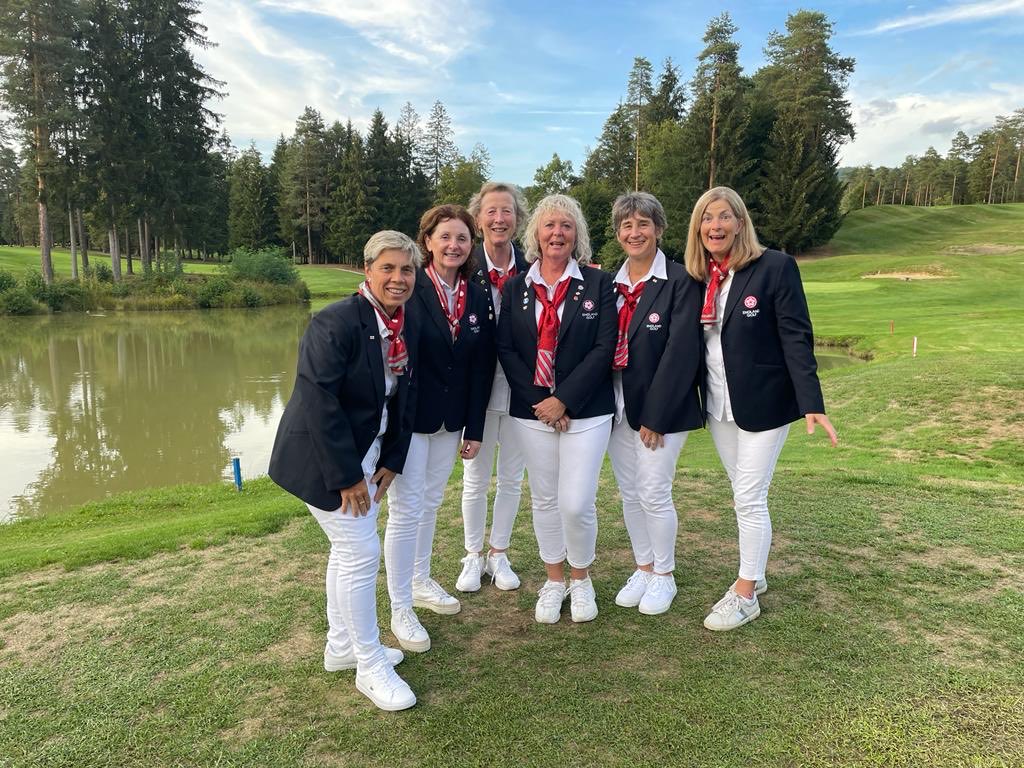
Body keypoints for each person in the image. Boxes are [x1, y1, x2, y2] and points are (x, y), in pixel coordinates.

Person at [268, 230, 421, 711]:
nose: (398, 279)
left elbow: (403, 399)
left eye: (407, 270)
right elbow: (318, 403)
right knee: (359, 553)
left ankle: (340, 647)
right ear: (368, 269)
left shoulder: (401, 324)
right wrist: (347, 477)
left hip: (367, 454)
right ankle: (368, 663)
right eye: (388, 268)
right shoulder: (335, 322)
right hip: (325, 462)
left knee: (347, 551)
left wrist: (392, 458)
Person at [683, 186, 838, 631]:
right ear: (699, 228)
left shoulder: (775, 267)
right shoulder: (698, 277)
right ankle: (758, 570)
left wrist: (811, 401)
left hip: (765, 404)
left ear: (740, 222)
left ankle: (746, 592)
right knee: (744, 493)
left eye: (724, 216)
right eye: (707, 218)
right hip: (718, 405)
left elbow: (796, 336)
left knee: (748, 496)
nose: (716, 225)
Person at [496, 193, 617, 624]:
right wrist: (541, 403)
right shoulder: (515, 287)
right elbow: (506, 349)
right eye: (549, 225)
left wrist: (564, 399)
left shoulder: (599, 285)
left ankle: (581, 579)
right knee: (545, 499)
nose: (557, 233)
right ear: (535, 234)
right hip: (531, 412)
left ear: (577, 235)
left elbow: (604, 348)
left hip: (587, 410)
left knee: (576, 502)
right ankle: (553, 579)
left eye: (566, 225)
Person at [384, 204, 495, 652]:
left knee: (430, 502)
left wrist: (475, 426)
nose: (454, 245)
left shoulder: (477, 292)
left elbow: (481, 365)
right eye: (445, 236)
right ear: (427, 241)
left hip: (450, 422)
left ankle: (421, 579)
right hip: (410, 420)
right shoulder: (409, 287)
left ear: (472, 246)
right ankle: (399, 606)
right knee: (406, 509)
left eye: (462, 238)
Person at [605, 192, 704, 616]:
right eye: (627, 226)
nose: (635, 232)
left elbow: (681, 353)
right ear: (618, 234)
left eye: (643, 224)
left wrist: (656, 415)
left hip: (661, 412)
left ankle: (664, 574)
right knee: (630, 493)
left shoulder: (681, 281)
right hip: (617, 408)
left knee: (653, 492)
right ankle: (643, 566)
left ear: (659, 230)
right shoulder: (609, 284)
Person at [456, 182, 530, 593]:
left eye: (507, 211)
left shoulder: (533, 265)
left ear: (517, 219)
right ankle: (471, 555)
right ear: (479, 218)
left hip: (521, 388)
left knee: (512, 479)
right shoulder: (466, 265)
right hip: (479, 392)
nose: (499, 219)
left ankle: (498, 553)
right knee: (474, 478)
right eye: (491, 212)